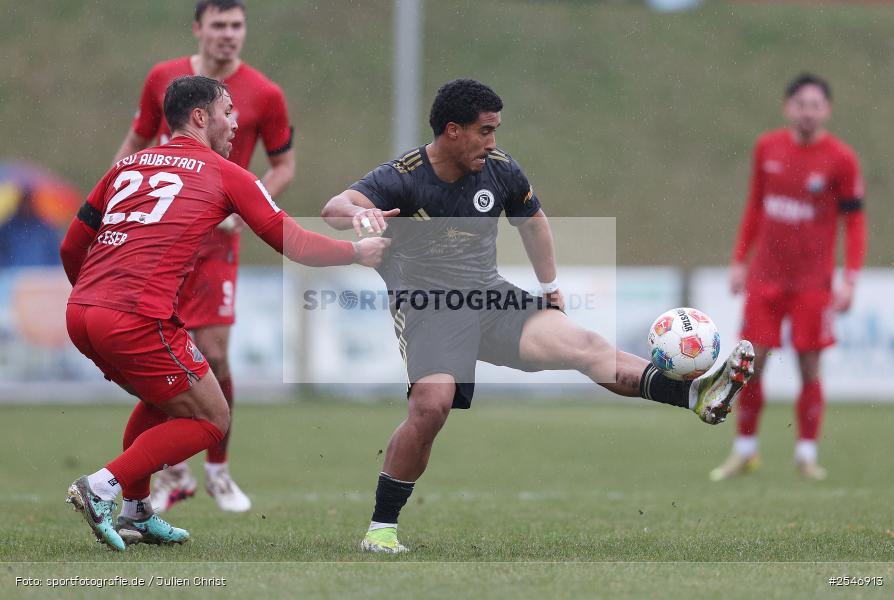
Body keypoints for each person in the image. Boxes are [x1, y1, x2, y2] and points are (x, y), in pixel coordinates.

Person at [321, 78, 756, 554]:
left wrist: (550, 290)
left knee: (585, 347)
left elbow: (534, 224)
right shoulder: (403, 174)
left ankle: (692, 392)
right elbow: (335, 207)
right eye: (485, 131)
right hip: (430, 309)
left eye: (496, 131)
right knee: (432, 406)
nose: (493, 142)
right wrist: (359, 217)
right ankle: (381, 529)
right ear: (452, 130)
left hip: (490, 300)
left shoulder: (500, 170)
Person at [61, 75, 389, 551]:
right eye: (228, 111)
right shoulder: (225, 173)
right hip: (133, 316)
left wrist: (95, 298)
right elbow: (292, 241)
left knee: (165, 401)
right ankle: (102, 486)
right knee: (212, 419)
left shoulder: (127, 166)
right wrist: (357, 253)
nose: (236, 123)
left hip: (82, 311)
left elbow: (73, 245)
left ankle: (135, 511)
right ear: (200, 117)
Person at [113, 0, 295, 513]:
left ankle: (217, 469)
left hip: (217, 242)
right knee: (156, 352)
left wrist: (245, 205)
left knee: (213, 354)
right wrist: (115, 198)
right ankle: (170, 471)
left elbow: (283, 167)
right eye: (219, 25)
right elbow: (135, 140)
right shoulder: (164, 79)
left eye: (237, 25)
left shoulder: (265, 94)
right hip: (163, 236)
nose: (228, 35)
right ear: (198, 29)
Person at [710, 73, 867, 482]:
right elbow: (755, 207)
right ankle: (745, 451)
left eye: (816, 105)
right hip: (765, 281)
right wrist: (739, 260)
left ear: (827, 110)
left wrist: (849, 278)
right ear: (788, 107)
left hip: (813, 285)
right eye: (801, 104)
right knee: (751, 364)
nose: (808, 111)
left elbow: (855, 224)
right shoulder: (767, 147)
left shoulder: (841, 159)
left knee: (809, 367)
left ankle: (806, 454)